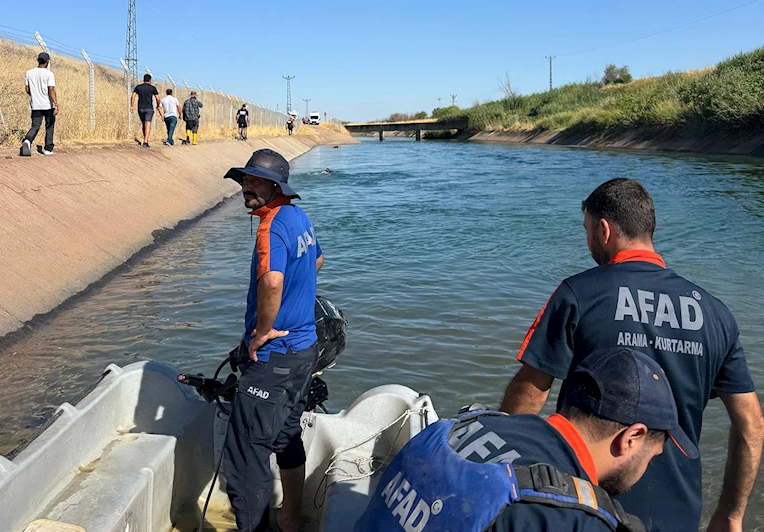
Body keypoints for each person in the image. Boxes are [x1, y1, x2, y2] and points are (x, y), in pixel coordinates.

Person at [499, 178, 764, 532]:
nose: (588, 240)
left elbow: (531, 392)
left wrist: (498, 466)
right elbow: (750, 423)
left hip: (586, 507)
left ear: (604, 230)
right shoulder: (715, 314)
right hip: (679, 512)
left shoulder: (579, 294)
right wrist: (731, 514)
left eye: (587, 230)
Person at [355, 348, 698, 532]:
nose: (647, 468)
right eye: (653, 455)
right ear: (632, 438)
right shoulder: (569, 519)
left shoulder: (470, 425)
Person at [221, 148, 324, 532]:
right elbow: (317, 261)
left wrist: (263, 331)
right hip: (305, 352)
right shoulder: (299, 217)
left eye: (255, 181)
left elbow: (272, 281)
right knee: (286, 436)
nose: (245, 186)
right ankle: (290, 519)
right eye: (244, 179)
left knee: (246, 457)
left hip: (274, 357)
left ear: (276, 187)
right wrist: (296, 304)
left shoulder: (271, 226)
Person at [20, 52, 58, 157]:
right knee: (49, 126)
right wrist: (56, 103)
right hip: (48, 105)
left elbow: (27, 89)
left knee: (35, 126)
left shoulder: (29, 73)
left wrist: (34, 95)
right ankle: (48, 149)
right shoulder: (49, 74)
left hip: (35, 104)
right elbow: (51, 89)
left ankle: (28, 140)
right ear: (47, 62)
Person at [130, 73, 160, 148]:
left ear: (143, 80)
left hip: (140, 108)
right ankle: (145, 141)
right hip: (149, 108)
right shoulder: (152, 88)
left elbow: (133, 96)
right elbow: (157, 98)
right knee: (148, 123)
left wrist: (132, 106)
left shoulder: (138, 87)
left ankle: (144, 137)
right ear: (150, 80)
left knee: (143, 123)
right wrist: (158, 105)